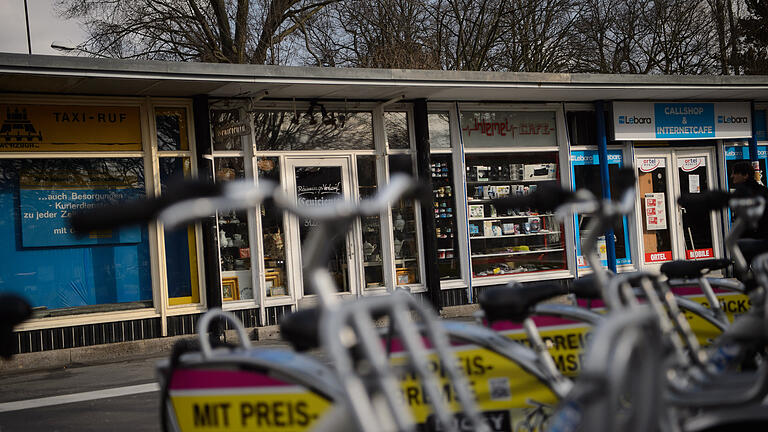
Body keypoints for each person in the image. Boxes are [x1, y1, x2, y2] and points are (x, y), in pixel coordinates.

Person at [730, 161, 768, 265]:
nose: (732, 176)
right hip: (759, 238)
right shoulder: (762, 190)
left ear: (745, 175)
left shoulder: (748, 193)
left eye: (735, 173)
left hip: (753, 238)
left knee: (743, 270)